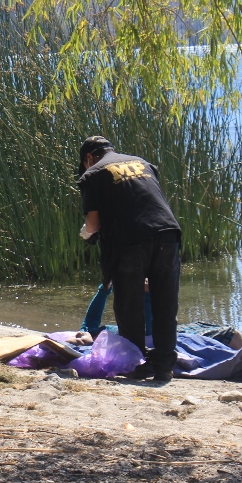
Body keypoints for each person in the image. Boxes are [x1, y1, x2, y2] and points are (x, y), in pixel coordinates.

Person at [78, 135, 181, 381]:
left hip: (131, 240)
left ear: (89, 158)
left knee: (129, 304)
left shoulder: (92, 174)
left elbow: (93, 223)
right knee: (165, 303)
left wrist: (86, 234)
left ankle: (136, 366)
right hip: (168, 233)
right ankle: (164, 367)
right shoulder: (144, 164)